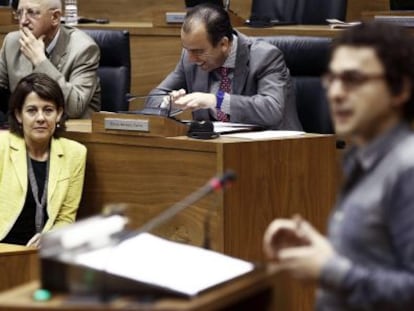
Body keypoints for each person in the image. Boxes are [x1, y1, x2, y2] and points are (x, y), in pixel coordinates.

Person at [263, 22, 414, 310]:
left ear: (400, 89)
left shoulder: (408, 169)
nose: (335, 93)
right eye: (331, 79)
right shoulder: (365, 158)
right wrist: (322, 249)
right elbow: (378, 262)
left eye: (353, 79)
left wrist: (329, 270)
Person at [145, 3, 302, 130]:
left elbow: (272, 110)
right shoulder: (189, 59)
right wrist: (168, 103)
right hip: (219, 150)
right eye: (188, 50)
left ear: (223, 44)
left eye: (198, 51)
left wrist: (217, 101)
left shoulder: (265, 56)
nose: (192, 58)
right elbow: (152, 100)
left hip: (278, 153)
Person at [0, 72, 87, 247]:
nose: (41, 118)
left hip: (41, 253)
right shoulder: (2, 145)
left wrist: (51, 237)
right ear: (18, 115)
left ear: (59, 114)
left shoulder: (75, 153)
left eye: (48, 110)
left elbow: (65, 217)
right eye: (32, 110)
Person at [0, 0, 101, 118]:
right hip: (24, 130)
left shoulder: (83, 48)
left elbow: (74, 108)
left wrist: (40, 61)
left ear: (55, 17)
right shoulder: (12, 42)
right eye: (19, 13)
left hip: (69, 131)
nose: (23, 21)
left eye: (32, 13)